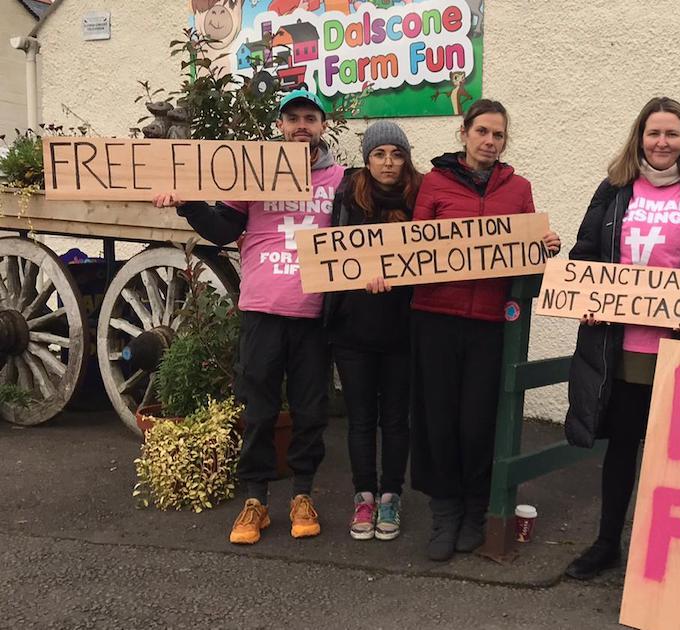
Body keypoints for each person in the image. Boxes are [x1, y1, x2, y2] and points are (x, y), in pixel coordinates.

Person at [153, 89, 345, 544]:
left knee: (311, 410)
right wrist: (188, 204)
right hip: (262, 310)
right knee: (257, 410)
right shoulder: (252, 174)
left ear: (322, 126)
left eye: (310, 118)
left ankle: (302, 494)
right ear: (280, 126)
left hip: (315, 315)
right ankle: (255, 499)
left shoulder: (340, 179)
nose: (302, 125)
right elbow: (222, 230)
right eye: (293, 118)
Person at [562, 96, 680, 580]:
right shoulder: (615, 188)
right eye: (653, 133)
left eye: (672, 134)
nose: (662, 143)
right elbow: (585, 256)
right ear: (639, 137)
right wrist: (588, 299)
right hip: (621, 350)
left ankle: (662, 553)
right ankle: (606, 544)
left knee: (676, 456)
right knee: (621, 447)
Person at [408, 99, 561, 561]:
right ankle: (444, 513)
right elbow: (414, 248)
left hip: (490, 325)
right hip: (435, 318)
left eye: (498, 134)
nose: (490, 141)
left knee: (477, 423)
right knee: (437, 420)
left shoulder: (520, 190)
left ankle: (476, 511)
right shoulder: (434, 183)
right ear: (464, 133)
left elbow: (528, 253)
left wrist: (546, 246)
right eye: (482, 132)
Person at [324, 121, 421, 541]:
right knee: (361, 419)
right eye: (380, 154)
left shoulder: (420, 196)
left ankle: (390, 497)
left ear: (405, 159)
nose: (388, 163)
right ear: (367, 158)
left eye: (396, 155)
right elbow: (329, 253)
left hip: (402, 329)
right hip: (354, 331)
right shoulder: (347, 196)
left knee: (396, 421)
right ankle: (364, 495)